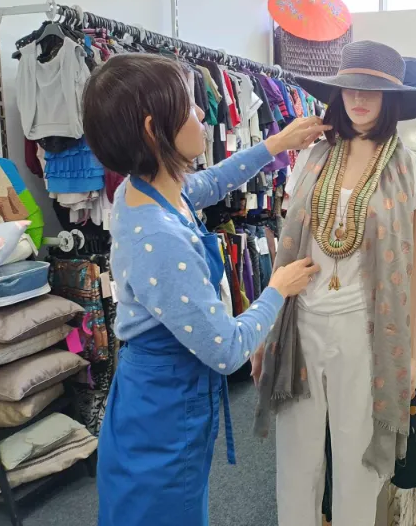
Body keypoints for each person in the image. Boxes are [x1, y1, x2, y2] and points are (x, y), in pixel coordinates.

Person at [81, 54, 327, 526]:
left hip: (155, 399)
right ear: (155, 130)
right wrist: (276, 288)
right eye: (192, 108)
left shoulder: (142, 190)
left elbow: (209, 183)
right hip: (163, 413)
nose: (202, 117)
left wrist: (277, 142)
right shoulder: (159, 237)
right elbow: (227, 349)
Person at [252, 41, 416, 525]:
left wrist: (415, 350)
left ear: (390, 100)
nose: (359, 100)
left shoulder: (415, 171)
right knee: (296, 461)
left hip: (366, 333)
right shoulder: (310, 159)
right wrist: (265, 323)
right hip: (301, 324)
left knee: (359, 464)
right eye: (351, 89)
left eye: (372, 92)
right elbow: (287, 246)